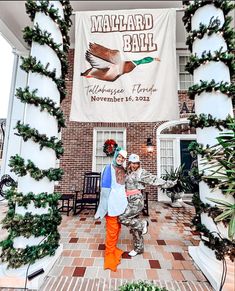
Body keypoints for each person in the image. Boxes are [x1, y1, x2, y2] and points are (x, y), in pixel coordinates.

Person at [119, 153, 176, 257]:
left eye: (136, 163)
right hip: (128, 200)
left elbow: (154, 179)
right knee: (134, 226)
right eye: (132, 163)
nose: (134, 165)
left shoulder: (142, 173)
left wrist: (169, 184)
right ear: (129, 163)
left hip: (136, 200)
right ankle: (138, 248)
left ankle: (143, 223)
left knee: (122, 218)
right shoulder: (127, 171)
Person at [94, 147, 128, 272]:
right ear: (115, 156)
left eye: (123, 158)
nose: (120, 159)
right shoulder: (109, 168)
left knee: (118, 228)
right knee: (112, 230)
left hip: (120, 203)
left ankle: (113, 249)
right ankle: (109, 255)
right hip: (111, 204)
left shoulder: (122, 169)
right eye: (119, 157)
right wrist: (104, 207)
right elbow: (105, 190)